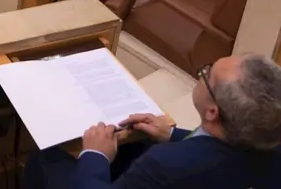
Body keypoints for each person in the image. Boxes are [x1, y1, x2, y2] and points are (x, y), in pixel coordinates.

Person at [24, 53, 281, 188]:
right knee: (136, 145)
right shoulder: (268, 140)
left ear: (213, 112)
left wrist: (95, 155)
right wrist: (171, 135)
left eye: (207, 73)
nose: (202, 74)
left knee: (50, 156)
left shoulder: (167, 165)